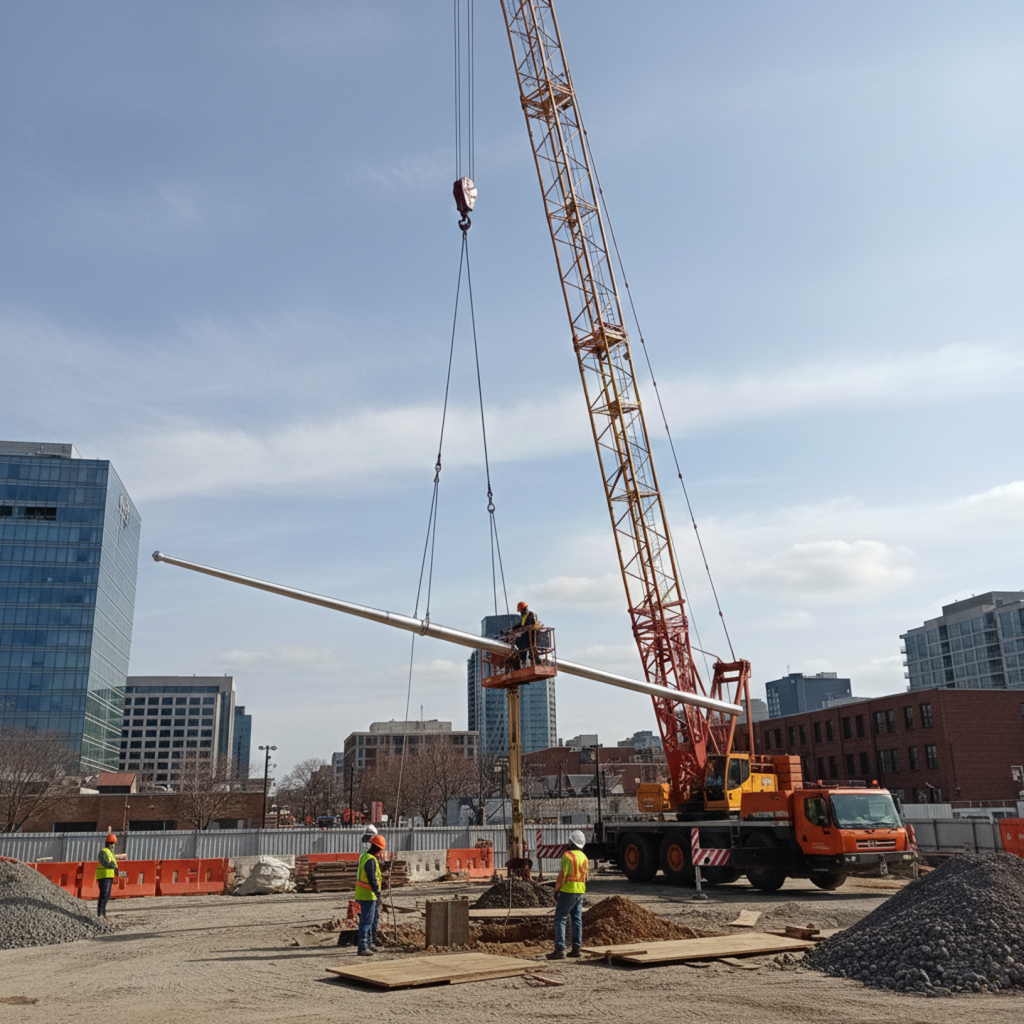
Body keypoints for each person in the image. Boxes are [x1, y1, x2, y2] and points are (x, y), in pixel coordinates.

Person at [546, 830, 588, 960]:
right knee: (576, 919)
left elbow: (562, 875)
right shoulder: (584, 857)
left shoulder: (567, 855)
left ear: (571, 842)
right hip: (580, 890)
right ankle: (576, 948)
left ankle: (560, 949)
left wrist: (556, 890)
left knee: (560, 918)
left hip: (568, 890)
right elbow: (586, 876)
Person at [354, 834, 386, 956]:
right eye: (381, 851)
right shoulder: (370, 860)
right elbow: (372, 878)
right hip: (368, 895)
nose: (381, 854)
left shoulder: (364, 857)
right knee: (366, 921)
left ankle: (369, 943)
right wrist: (377, 891)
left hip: (364, 894)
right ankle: (362, 946)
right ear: (377, 849)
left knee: (373, 919)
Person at [95, 832, 118, 918]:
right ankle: (100, 913)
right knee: (104, 895)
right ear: (108, 843)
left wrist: (115, 869)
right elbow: (104, 863)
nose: (113, 846)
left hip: (109, 876)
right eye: (112, 843)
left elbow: (113, 864)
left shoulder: (110, 853)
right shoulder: (104, 852)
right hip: (103, 876)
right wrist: (111, 865)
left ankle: (103, 913)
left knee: (107, 896)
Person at [514, 601, 538, 667]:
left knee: (522, 643)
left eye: (521, 611)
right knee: (518, 641)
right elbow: (521, 625)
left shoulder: (531, 615)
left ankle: (523, 659)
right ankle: (522, 658)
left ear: (524, 609)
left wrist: (524, 629)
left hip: (532, 635)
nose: (521, 613)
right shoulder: (524, 617)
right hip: (526, 635)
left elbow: (532, 624)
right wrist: (512, 628)